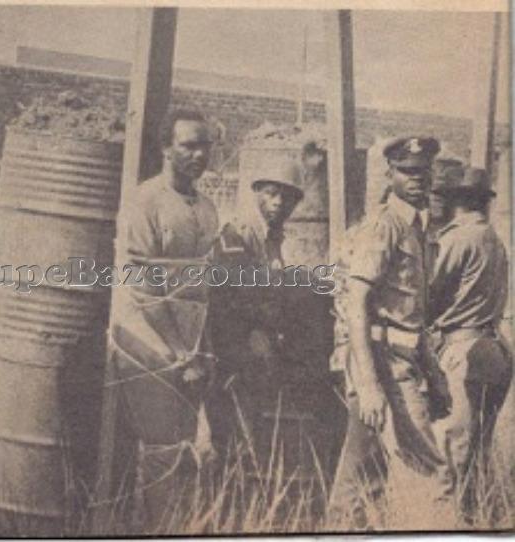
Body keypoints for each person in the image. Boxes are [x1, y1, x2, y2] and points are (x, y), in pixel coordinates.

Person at [327, 136, 446, 528]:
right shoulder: (385, 225)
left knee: (366, 469)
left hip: (403, 356)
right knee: (430, 466)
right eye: (407, 172)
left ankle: (346, 529)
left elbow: (413, 313)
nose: (417, 180)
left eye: (423, 171)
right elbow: (357, 303)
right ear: (389, 173)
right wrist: (369, 384)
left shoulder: (417, 226)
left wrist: (434, 372)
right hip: (380, 359)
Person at [109, 109, 219, 532]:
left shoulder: (206, 206)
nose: (199, 153)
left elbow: (203, 287)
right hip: (149, 344)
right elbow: (142, 284)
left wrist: (203, 348)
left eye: (205, 144)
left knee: (184, 445)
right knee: (161, 449)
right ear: (165, 149)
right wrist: (178, 352)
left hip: (189, 348)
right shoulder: (144, 201)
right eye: (189, 144)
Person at [206, 159, 304, 466]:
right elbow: (230, 293)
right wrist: (255, 332)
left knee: (255, 427)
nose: (279, 202)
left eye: (287, 197)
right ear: (257, 192)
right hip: (234, 345)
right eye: (272, 193)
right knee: (234, 430)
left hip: (258, 345)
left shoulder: (274, 238)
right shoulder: (236, 234)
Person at [427, 166, 512, 522]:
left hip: (462, 349)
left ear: (455, 201)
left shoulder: (458, 239)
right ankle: (478, 519)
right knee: (477, 449)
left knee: (450, 448)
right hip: (494, 349)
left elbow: (428, 295)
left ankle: (447, 525)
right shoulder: (494, 238)